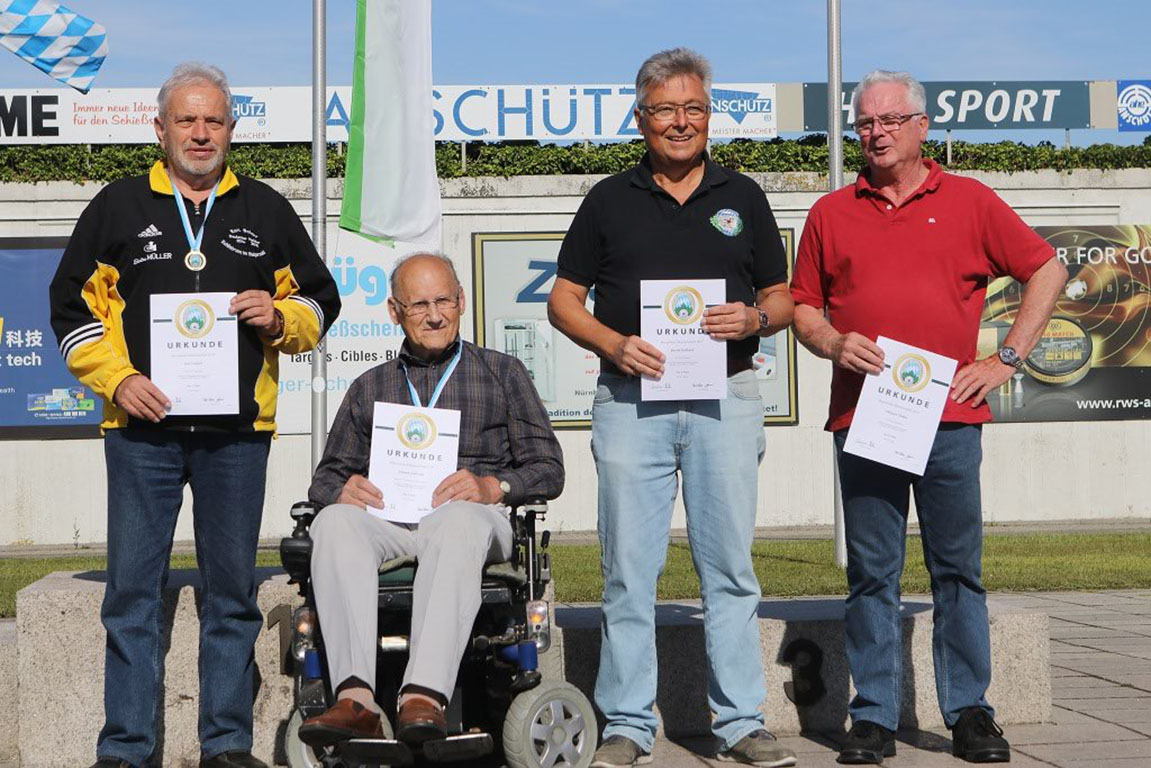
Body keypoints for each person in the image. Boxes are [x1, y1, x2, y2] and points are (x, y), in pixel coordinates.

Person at [48, 62, 340, 768]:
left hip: (238, 438)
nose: (201, 132)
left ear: (232, 131)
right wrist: (118, 382)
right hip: (141, 435)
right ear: (160, 129)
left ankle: (226, 745)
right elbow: (69, 308)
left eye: (214, 120)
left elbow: (320, 301)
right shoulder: (117, 205)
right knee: (130, 597)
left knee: (233, 597)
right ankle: (125, 749)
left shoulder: (266, 209)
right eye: (187, 120)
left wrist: (280, 318)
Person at [790, 70, 1067, 765]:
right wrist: (830, 340)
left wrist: (1004, 358)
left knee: (956, 572)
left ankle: (970, 713)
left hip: (948, 418)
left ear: (921, 126)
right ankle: (874, 719)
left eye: (888, 120)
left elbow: (1046, 271)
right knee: (872, 575)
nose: (875, 133)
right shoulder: (830, 212)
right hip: (865, 417)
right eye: (863, 123)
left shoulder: (969, 200)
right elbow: (800, 306)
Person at [548, 48, 796, 768]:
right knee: (628, 570)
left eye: (692, 108)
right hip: (630, 402)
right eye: (664, 109)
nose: (679, 122)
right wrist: (612, 343)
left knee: (729, 570)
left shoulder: (742, 194)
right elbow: (564, 300)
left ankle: (740, 723)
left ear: (709, 116)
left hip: (727, 398)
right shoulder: (606, 199)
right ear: (641, 118)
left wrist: (754, 320)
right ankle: (626, 723)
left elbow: (780, 297)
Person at [297, 252, 564, 747]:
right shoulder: (369, 385)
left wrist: (495, 487)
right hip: (392, 520)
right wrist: (341, 490)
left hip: (476, 519)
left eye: (444, 300)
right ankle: (355, 699)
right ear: (394, 312)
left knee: (458, 519)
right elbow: (326, 478)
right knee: (333, 522)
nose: (435, 315)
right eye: (419, 304)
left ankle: (423, 694)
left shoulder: (503, 373)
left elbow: (548, 467)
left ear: (461, 302)